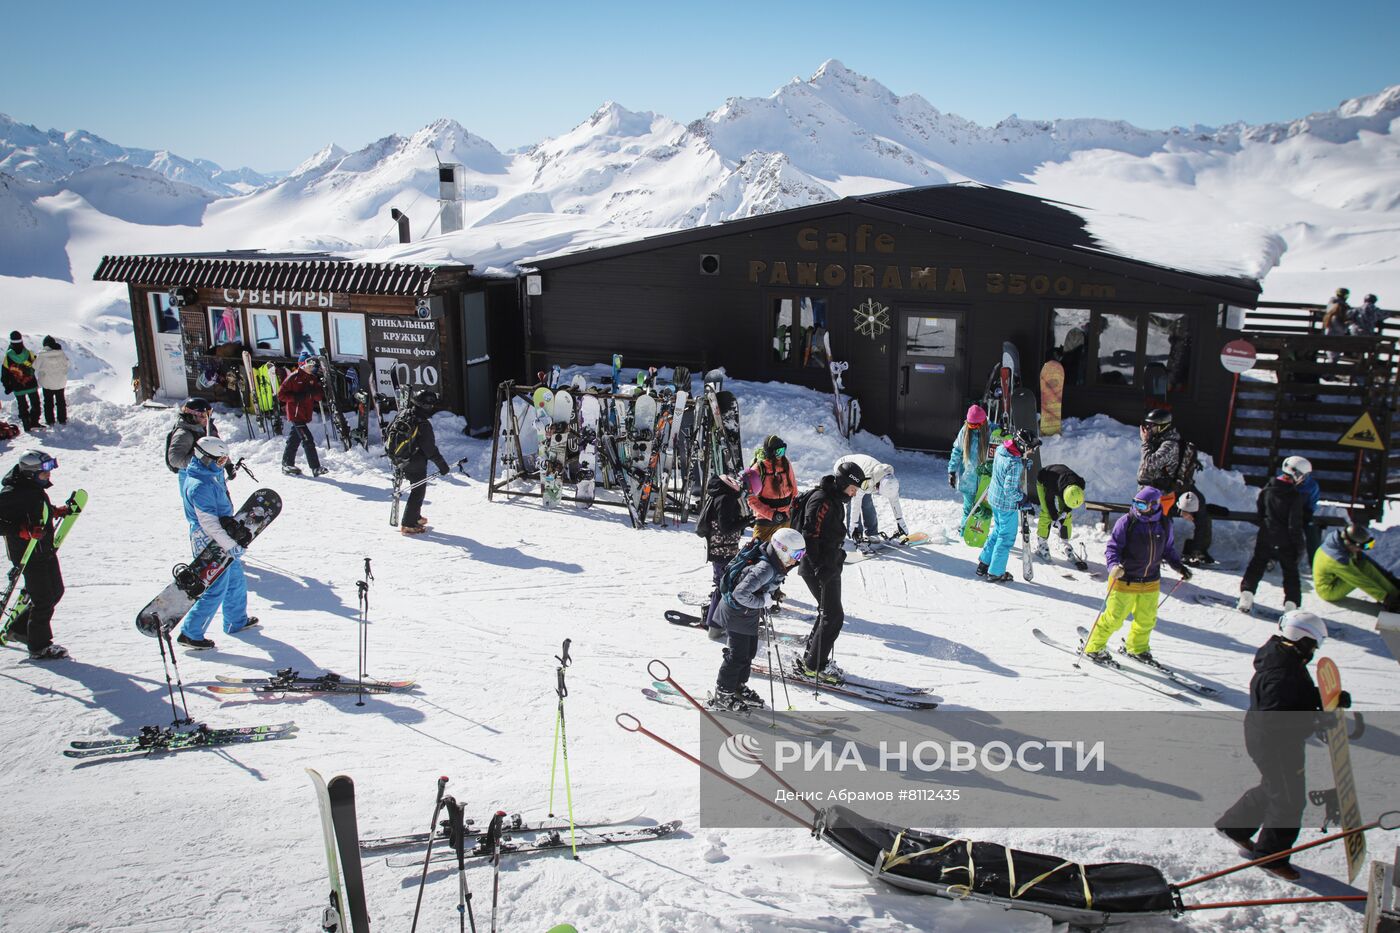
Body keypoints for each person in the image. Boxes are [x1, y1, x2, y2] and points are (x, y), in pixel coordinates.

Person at [1215, 611, 1348, 881]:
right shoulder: (1281, 672)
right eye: (1313, 644)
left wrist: (1323, 698)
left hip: (1268, 737)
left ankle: (1234, 827)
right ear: (1302, 640)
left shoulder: (1283, 657)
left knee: (1275, 786)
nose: (1313, 650)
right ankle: (1270, 856)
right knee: (1289, 799)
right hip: (1274, 742)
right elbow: (1277, 718)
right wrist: (1315, 720)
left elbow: (1294, 696)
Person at [1082, 486, 1192, 663]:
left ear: (1155, 505)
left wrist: (1179, 566)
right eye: (1135, 504)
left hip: (1150, 581)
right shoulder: (1127, 522)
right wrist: (1113, 567)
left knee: (1147, 620)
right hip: (1124, 579)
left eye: (1142, 506)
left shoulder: (1165, 524)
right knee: (1114, 618)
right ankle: (1093, 646)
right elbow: (1113, 548)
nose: (1137, 509)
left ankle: (1137, 648)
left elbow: (1168, 550)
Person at [709, 528, 806, 711]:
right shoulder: (766, 568)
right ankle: (723, 693)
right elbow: (740, 594)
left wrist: (772, 594)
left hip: (747, 613)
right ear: (782, 549)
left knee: (749, 652)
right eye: (797, 554)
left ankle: (737, 686)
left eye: (802, 554)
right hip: (736, 611)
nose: (799, 559)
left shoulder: (775, 562)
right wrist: (764, 600)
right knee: (737, 655)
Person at [176, 436, 258, 649]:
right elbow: (209, 522)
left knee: (235, 580)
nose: (223, 465)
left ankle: (235, 620)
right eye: (220, 461)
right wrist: (230, 545)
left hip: (222, 534)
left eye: (225, 460)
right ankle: (190, 632)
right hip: (209, 538)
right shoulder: (199, 485)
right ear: (205, 458)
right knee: (215, 586)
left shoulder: (208, 475)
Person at [795, 460, 864, 682]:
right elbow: (809, 534)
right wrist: (819, 567)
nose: (853, 494)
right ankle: (815, 666)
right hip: (818, 567)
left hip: (829, 564)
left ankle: (812, 659)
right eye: (853, 489)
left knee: (828, 613)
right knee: (833, 616)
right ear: (844, 483)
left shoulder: (835, 499)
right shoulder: (822, 499)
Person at [0, 450, 70, 659]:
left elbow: (36, 510)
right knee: (43, 600)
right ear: (30, 473)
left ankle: (20, 630)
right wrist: (21, 530)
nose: (48, 476)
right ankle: (39, 647)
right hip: (27, 554)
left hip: (44, 549)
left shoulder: (32, 488)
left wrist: (54, 511)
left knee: (56, 591)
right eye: (44, 473)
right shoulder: (11, 493)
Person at [1237, 457, 1310, 615]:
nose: (1303, 480)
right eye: (1303, 476)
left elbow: (1260, 512)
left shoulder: (1268, 489)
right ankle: (1291, 606)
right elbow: (1294, 525)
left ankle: (1246, 596)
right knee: (1290, 573)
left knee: (1256, 566)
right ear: (1296, 474)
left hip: (1266, 535)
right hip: (1286, 541)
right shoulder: (1294, 496)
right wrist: (1299, 546)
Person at [695, 468, 757, 630]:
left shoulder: (721, 496)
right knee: (724, 585)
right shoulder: (725, 499)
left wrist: (745, 520)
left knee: (725, 584)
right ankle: (713, 623)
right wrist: (745, 522)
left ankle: (714, 617)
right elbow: (726, 527)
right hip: (722, 550)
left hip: (722, 549)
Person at [977, 428, 1038, 584]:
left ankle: (984, 564)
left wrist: (1022, 461)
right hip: (1006, 505)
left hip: (994, 499)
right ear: (1023, 446)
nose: (1032, 451)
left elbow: (1005, 466)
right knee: (1005, 538)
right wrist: (1022, 499)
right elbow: (1009, 489)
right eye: (1031, 448)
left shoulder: (1002, 449)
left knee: (997, 532)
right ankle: (995, 573)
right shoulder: (1014, 464)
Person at [398, 388, 451, 536]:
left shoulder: (405, 414)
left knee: (416, 486)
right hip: (414, 460)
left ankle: (415, 516)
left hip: (401, 458)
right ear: (426, 406)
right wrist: (442, 465)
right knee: (418, 490)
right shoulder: (422, 423)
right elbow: (429, 449)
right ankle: (408, 524)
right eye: (431, 405)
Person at [1312, 523, 1400, 611]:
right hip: (1328, 590)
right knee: (1361, 573)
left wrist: (1391, 580)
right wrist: (1385, 598)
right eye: (1362, 546)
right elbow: (1361, 581)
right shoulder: (1338, 559)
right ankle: (1393, 599)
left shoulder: (1340, 543)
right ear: (1350, 543)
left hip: (1336, 577)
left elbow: (1370, 564)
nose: (1362, 549)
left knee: (1364, 565)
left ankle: (1395, 594)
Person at [834, 453, 908, 542]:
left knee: (867, 503)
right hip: (844, 468)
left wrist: (900, 522)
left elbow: (894, 500)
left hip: (864, 473)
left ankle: (872, 533)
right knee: (852, 501)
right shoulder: (867, 480)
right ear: (878, 485)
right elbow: (855, 503)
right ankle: (856, 534)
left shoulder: (891, 482)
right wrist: (854, 527)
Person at [276, 354, 327, 477]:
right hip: (295, 414)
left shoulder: (312, 378)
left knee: (294, 439)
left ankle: (287, 464)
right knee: (307, 440)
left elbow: (319, 396)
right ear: (301, 365)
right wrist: (296, 397)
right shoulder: (293, 378)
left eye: (312, 366)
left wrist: (316, 391)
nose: (311, 368)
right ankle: (315, 468)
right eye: (309, 366)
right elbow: (281, 395)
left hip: (305, 414)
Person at [165, 397, 235, 481]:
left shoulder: (208, 428)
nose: (207, 418)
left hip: (213, 474)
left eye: (209, 414)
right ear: (192, 415)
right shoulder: (184, 434)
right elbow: (175, 460)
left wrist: (228, 465)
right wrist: (200, 459)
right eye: (203, 415)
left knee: (220, 494)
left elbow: (219, 448)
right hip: (193, 478)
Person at [748, 435, 798, 544]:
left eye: (783, 451)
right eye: (778, 452)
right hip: (765, 522)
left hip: (785, 518)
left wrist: (793, 506)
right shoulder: (757, 469)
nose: (781, 455)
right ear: (770, 452)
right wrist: (772, 515)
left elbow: (793, 488)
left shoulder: (786, 464)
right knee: (759, 554)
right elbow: (751, 500)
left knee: (783, 556)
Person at [948, 404, 990, 528]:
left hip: (985, 480)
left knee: (983, 510)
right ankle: (964, 532)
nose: (972, 428)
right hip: (968, 479)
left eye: (975, 425)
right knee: (968, 509)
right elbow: (956, 451)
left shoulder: (991, 431)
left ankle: (979, 532)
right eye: (970, 424)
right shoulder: (965, 431)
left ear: (983, 423)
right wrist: (951, 471)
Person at [1034, 463, 1085, 563]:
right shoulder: (1052, 485)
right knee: (1047, 513)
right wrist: (1054, 517)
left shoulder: (1080, 484)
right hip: (1045, 478)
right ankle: (1042, 544)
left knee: (1067, 515)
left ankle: (1064, 542)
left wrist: (1065, 513)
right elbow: (1049, 501)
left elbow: (1070, 505)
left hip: (1064, 481)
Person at [3, 332, 40, 432]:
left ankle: (27, 425)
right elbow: (36, 365)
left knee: (22, 405)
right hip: (30, 383)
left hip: (17, 386)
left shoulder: (8, 357)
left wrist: (7, 386)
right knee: (35, 403)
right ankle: (34, 422)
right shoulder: (29, 353)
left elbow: (5, 374)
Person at [34, 337, 69, 427]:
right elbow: (68, 364)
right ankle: (62, 419)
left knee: (48, 402)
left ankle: (50, 420)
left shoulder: (42, 355)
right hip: (60, 382)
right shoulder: (61, 353)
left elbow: (35, 366)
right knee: (60, 401)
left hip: (47, 383)